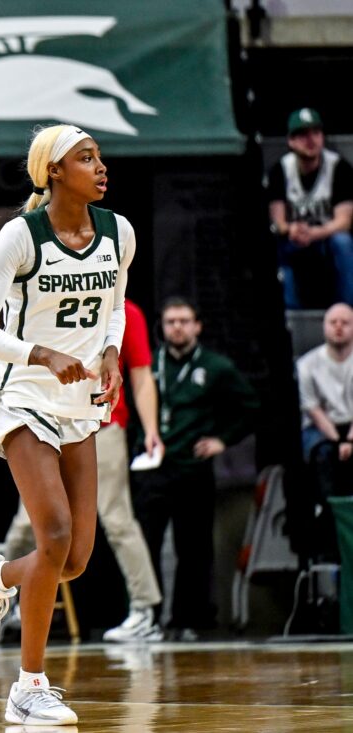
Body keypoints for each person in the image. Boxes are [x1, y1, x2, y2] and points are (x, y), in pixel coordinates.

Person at [0, 124, 130, 725]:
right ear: (53, 171)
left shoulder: (117, 231)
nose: (100, 166)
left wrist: (110, 352)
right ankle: (29, 686)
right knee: (54, 535)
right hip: (27, 395)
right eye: (86, 157)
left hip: (82, 402)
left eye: (100, 157)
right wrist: (40, 354)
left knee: (74, 561)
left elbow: (113, 310)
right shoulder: (20, 236)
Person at [3, 299, 166, 643]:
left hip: (99, 428)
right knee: (23, 524)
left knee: (117, 519)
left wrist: (151, 428)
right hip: (43, 422)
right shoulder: (46, 296)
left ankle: (144, 610)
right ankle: (1, 601)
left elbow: (140, 374)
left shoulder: (126, 312)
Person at [132, 297, 259, 639]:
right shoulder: (148, 364)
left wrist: (222, 440)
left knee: (194, 547)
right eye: (171, 321)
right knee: (146, 544)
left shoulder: (216, 367)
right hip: (153, 468)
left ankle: (189, 620)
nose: (177, 327)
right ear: (162, 325)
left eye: (184, 321)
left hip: (193, 468)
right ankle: (148, 618)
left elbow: (250, 408)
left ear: (197, 326)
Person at [266, 108, 353, 309]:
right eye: (303, 135)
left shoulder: (339, 167)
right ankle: (292, 316)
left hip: (326, 237)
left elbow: (344, 221)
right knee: (278, 248)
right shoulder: (281, 170)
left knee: (343, 242)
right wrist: (290, 230)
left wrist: (315, 233)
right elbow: (278, 221)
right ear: (291, 141)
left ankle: (346, 311)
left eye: (316, 133)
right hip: (296, 239)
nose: (311, 140)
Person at [296, 302, 353, 558]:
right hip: (322, 427)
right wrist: (338, 440)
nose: (339, 327)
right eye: (333, 322)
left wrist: (349, 440)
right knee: (322, 453)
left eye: (345, 322)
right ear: (324, 327)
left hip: (351, 425)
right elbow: (312, 409)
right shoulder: (308, 364)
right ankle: (327, 518)